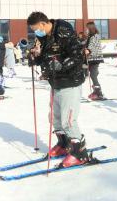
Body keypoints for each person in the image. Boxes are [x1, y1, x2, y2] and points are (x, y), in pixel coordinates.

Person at [28, 11, 89, 168]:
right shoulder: (43, 37)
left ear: (43, 24)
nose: (36, 32)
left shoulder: (63, 30)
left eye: (36, 28)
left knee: (68, 120)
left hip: (70, 81)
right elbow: (45, 58)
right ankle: (63, 144)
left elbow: (77, 54)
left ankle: (79, 152)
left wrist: (62, 64)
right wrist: (35, 58)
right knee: (55, 118)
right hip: (55, 82)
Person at [85, 21, 105, 100]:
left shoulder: (95, 36)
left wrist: (88, 50)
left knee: (93, 75)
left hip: (95, 58)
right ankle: (95, 91)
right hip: (92, 58)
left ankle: (98, 93)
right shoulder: (90, 36)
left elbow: (95, 46)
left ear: (90, 28)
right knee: (93, 75)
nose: (86, 30)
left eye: (87, 28)